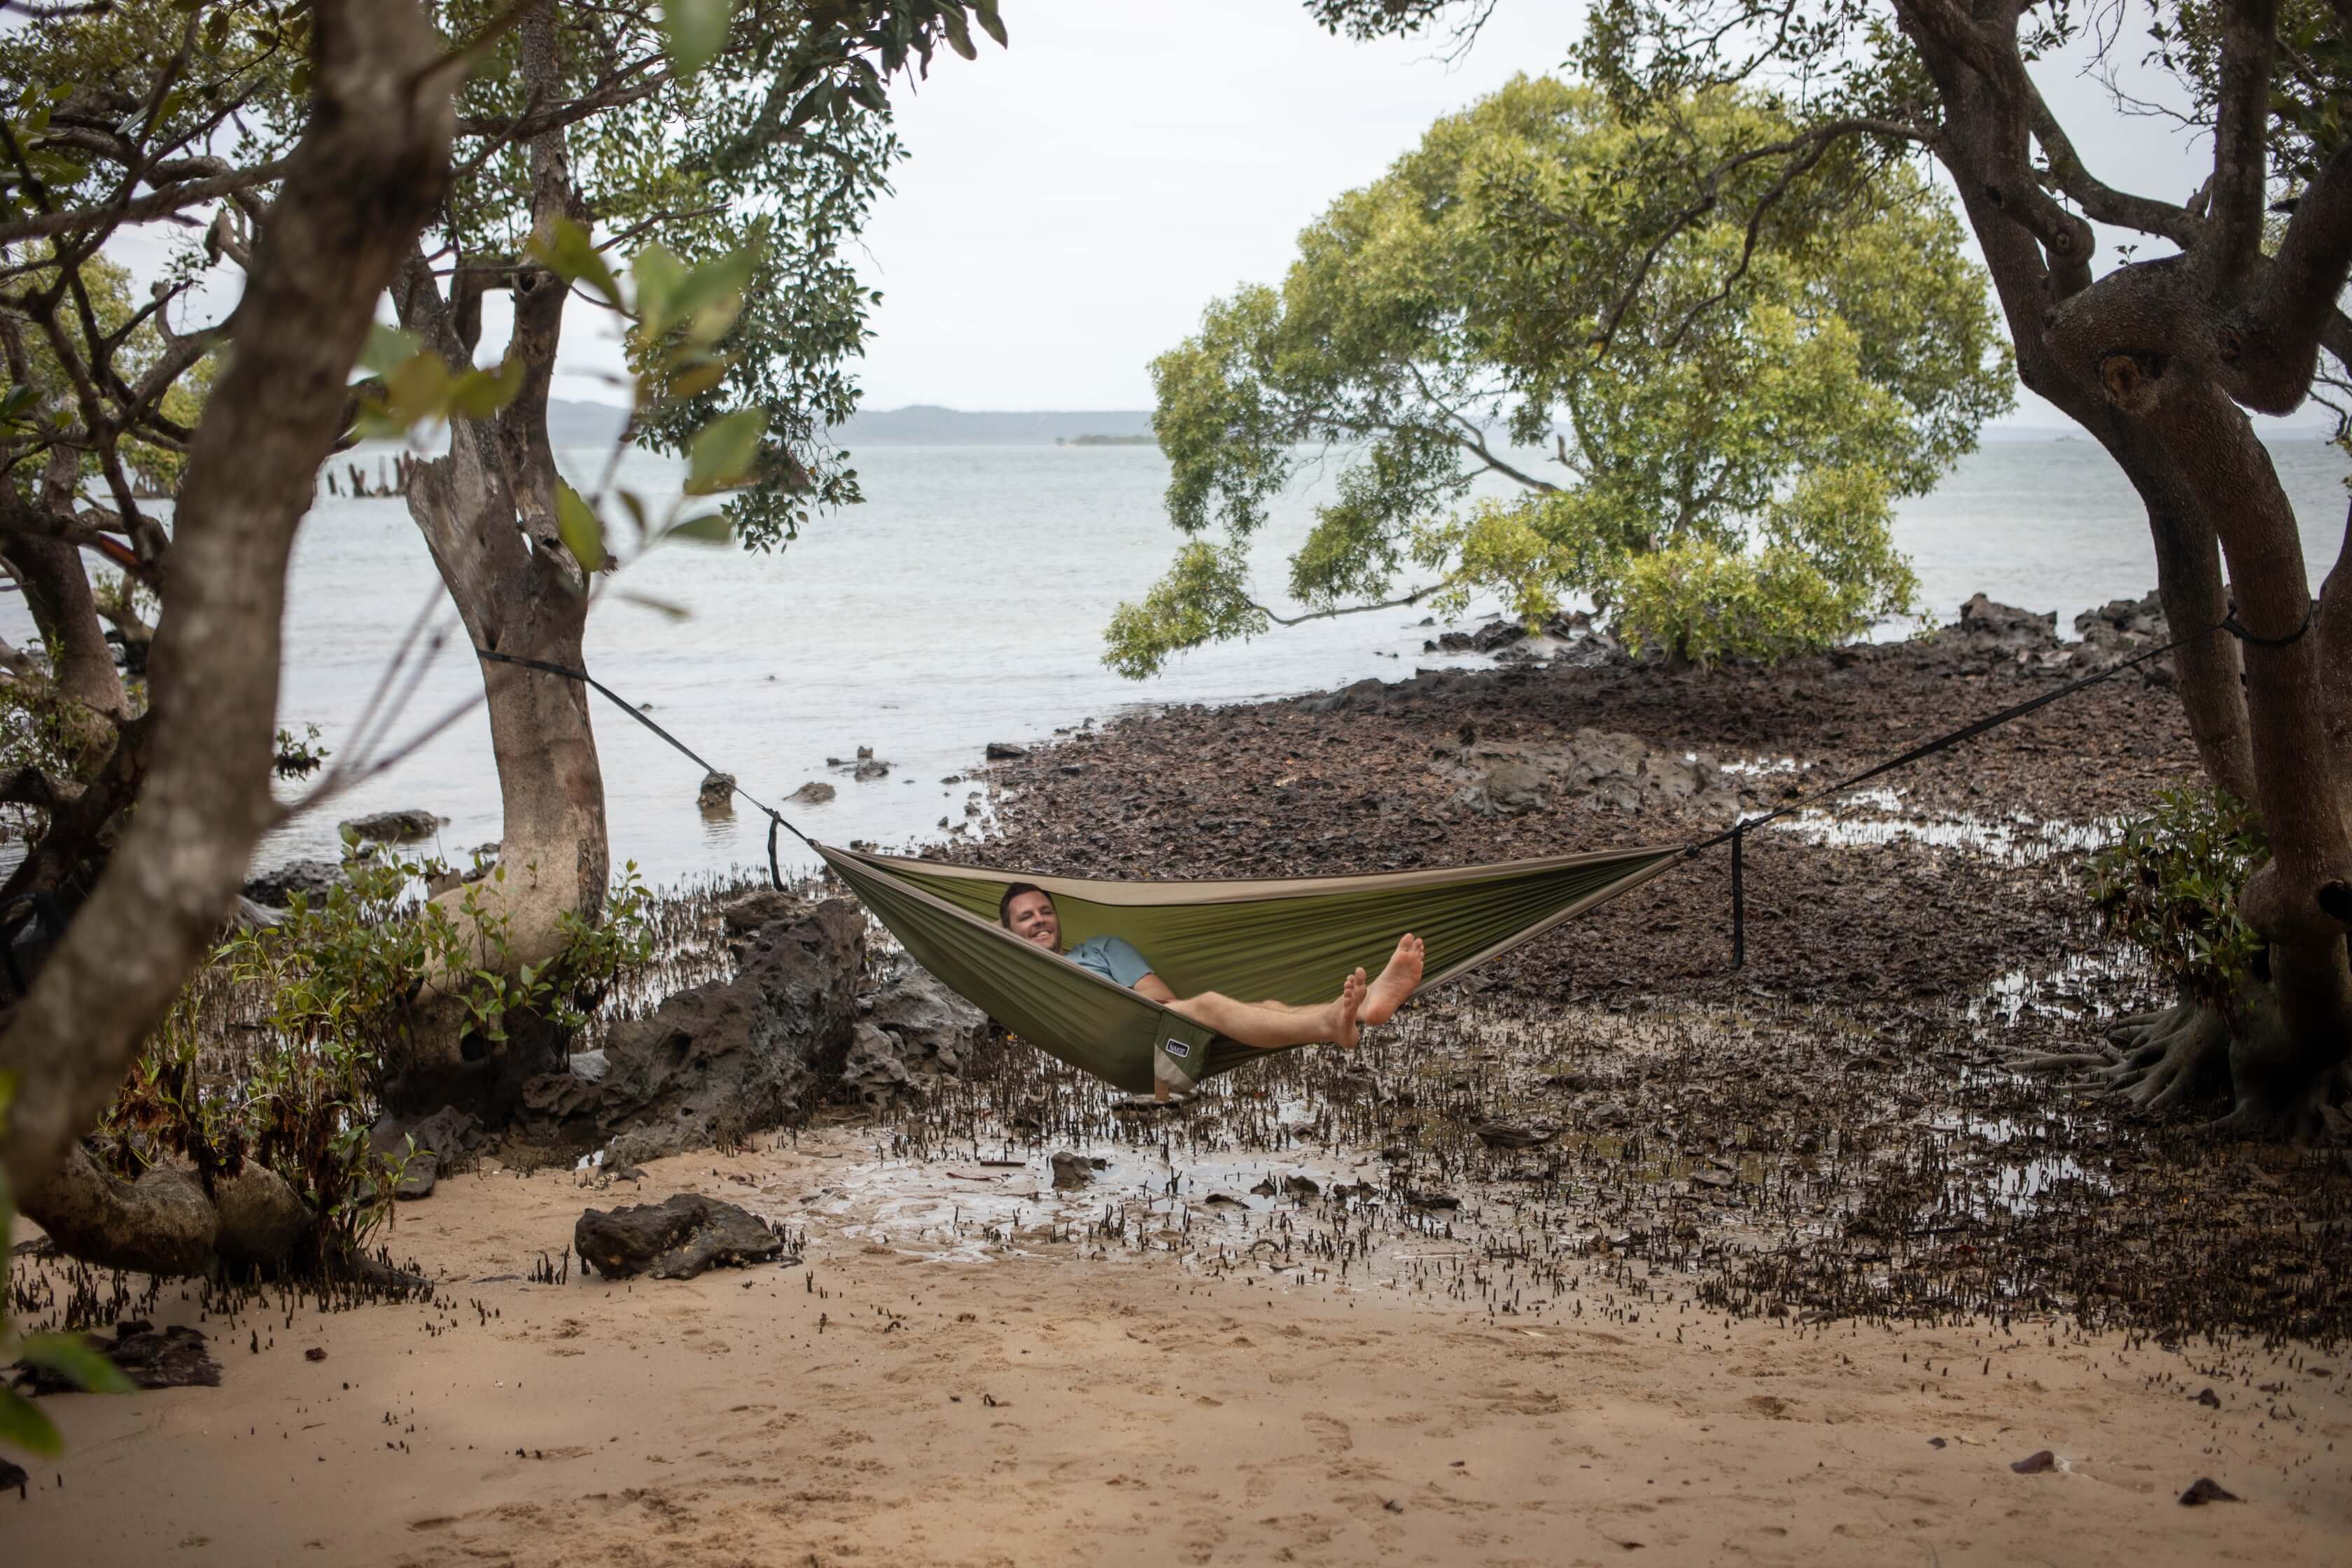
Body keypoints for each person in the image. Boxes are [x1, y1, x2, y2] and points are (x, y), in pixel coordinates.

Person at [995, 882, 1425, 1095]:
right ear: (1007, 932)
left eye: (1045, 912)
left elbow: (1160, 999)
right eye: (1026, 918)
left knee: (1263, 1006)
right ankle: (1336, 1019)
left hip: (1152, 1040)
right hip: (1118, 1057)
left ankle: (1361, 1012)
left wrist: (1110, 1006)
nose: (1039, 921)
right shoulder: (1014, 974)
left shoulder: (1103, 948)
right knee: (1211, 1005)